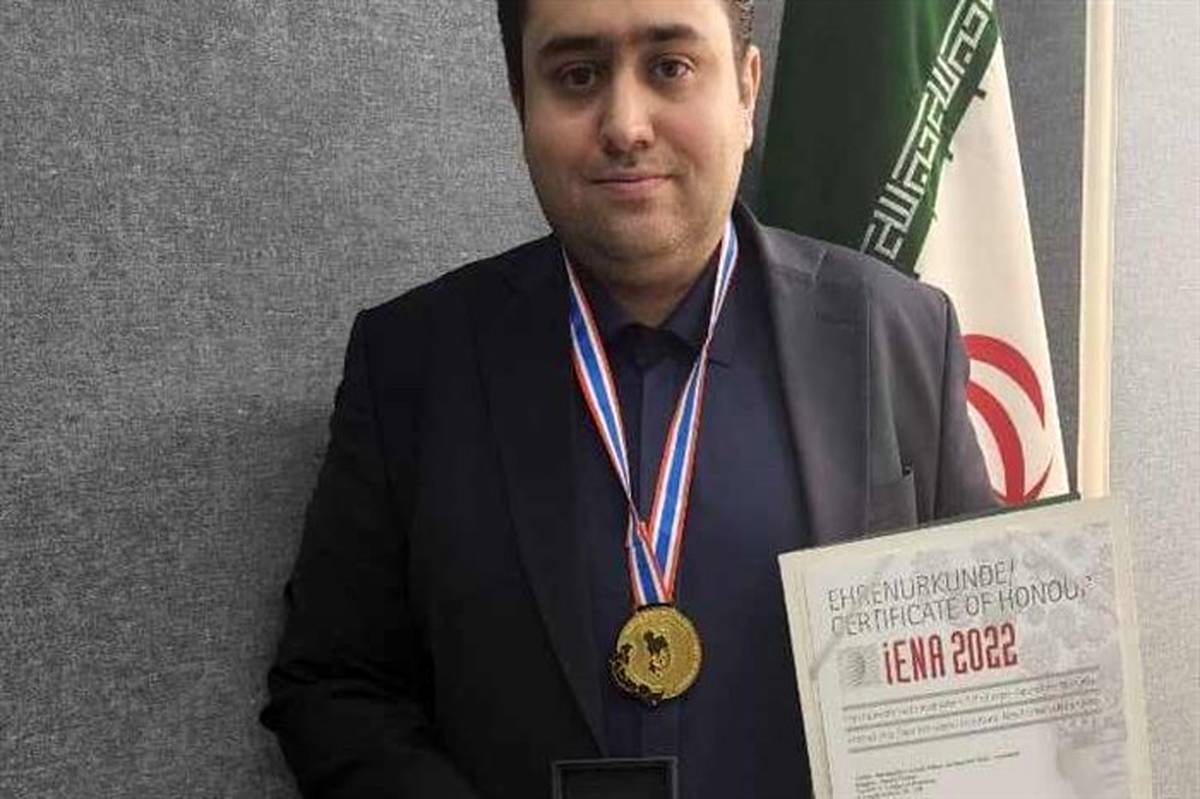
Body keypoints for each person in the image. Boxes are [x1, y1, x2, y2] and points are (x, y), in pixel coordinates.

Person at [260, 0, 996, 797]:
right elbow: (334, 685)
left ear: (746, 91)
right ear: (522, 103)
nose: (625, 125)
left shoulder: (897, 332)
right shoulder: (410, 361)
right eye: (577, 77)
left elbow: (986, 666)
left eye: (670, 67)